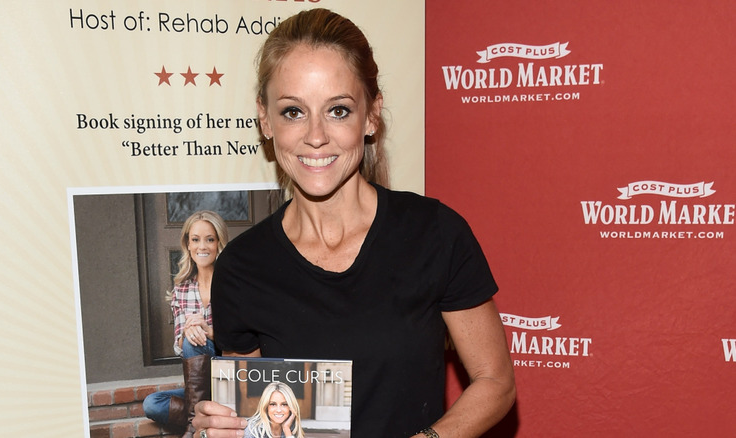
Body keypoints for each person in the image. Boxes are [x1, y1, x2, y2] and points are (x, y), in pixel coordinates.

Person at [194, 8, 515, 438]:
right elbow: (253, 418)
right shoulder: (240, 268)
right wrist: (221, 428)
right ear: (265, 119)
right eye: (293, 112)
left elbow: (496, 382)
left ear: (371, 114)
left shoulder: (435, 233)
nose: (316, 135)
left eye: (338, 110)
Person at [142, 210, 229, 437]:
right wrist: (189, 330)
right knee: (152, 403)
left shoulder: (232, 283)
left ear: (219, 243)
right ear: (188, 245)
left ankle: (194, 427)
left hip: (227, 375)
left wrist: (209, 332)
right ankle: (204, 419)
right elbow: (180, 346)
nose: (202, 246)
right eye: (195, 239)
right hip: (201, 387)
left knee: (196, 339)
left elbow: (244, 339)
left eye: (210, 239)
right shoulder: (181, 289)